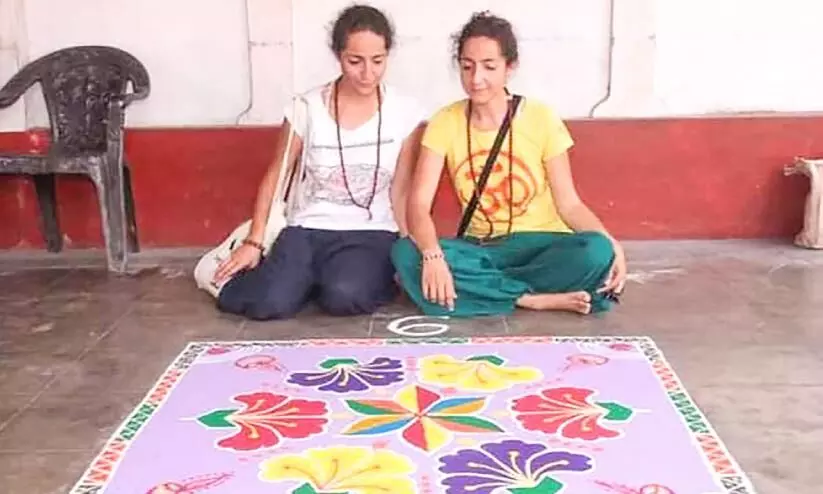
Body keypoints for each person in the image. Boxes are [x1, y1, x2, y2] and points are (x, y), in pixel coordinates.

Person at [392, 11, 627, 318]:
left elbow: (569, 204)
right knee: (406, 253)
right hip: (482, 249)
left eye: (489, 67)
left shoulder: (541, 118)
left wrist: (613, 245)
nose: (476, 79)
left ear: (509, 68)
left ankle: (487, 293)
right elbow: (418, 204)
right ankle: (530, 299)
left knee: (596, 252)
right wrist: (433, 255)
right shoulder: (444, 123)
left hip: (541, 246)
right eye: (467, 66)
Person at [213, 4, 426, 320]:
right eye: (355, 61)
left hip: (371, 232)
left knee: (345, 296)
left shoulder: (404, 111)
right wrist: (254, 241)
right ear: (338, 55)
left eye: (377, 61)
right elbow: (277, 174)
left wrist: (411, 250)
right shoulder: (306, 107)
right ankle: (292, 280)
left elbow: (402, 190)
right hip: (307, 229)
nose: (368, 73)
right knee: (268, 303)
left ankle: (322, 281)